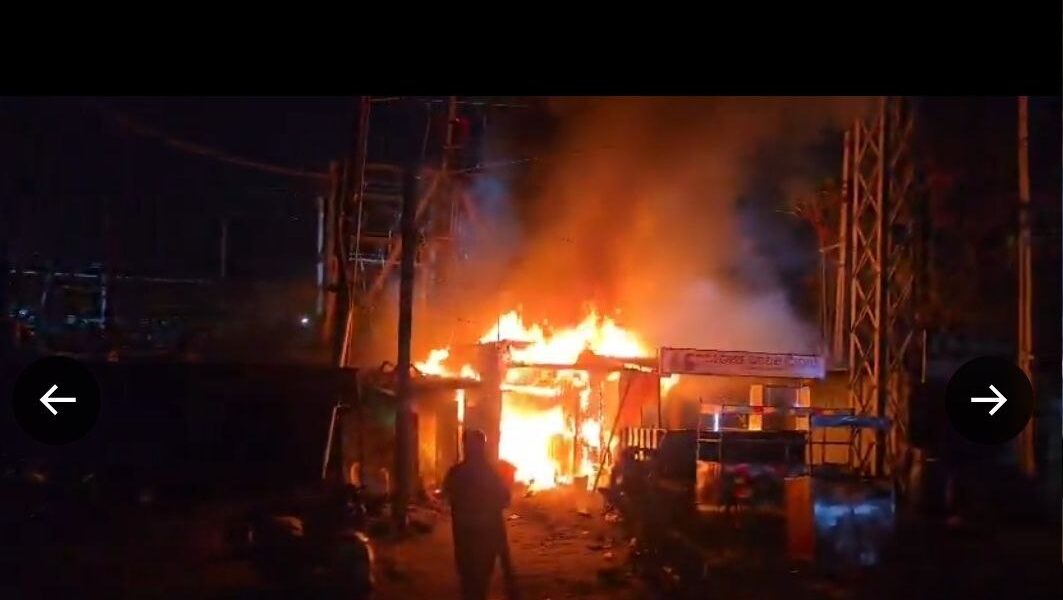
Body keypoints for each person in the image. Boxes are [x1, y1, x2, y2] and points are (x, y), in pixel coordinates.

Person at [442, 430, 513, 600]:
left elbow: (447, 496)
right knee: (480, 581)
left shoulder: (456, 472)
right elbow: (505, 500)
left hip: (464, 535)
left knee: (469, 580)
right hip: (483, 535)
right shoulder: (492, 473)